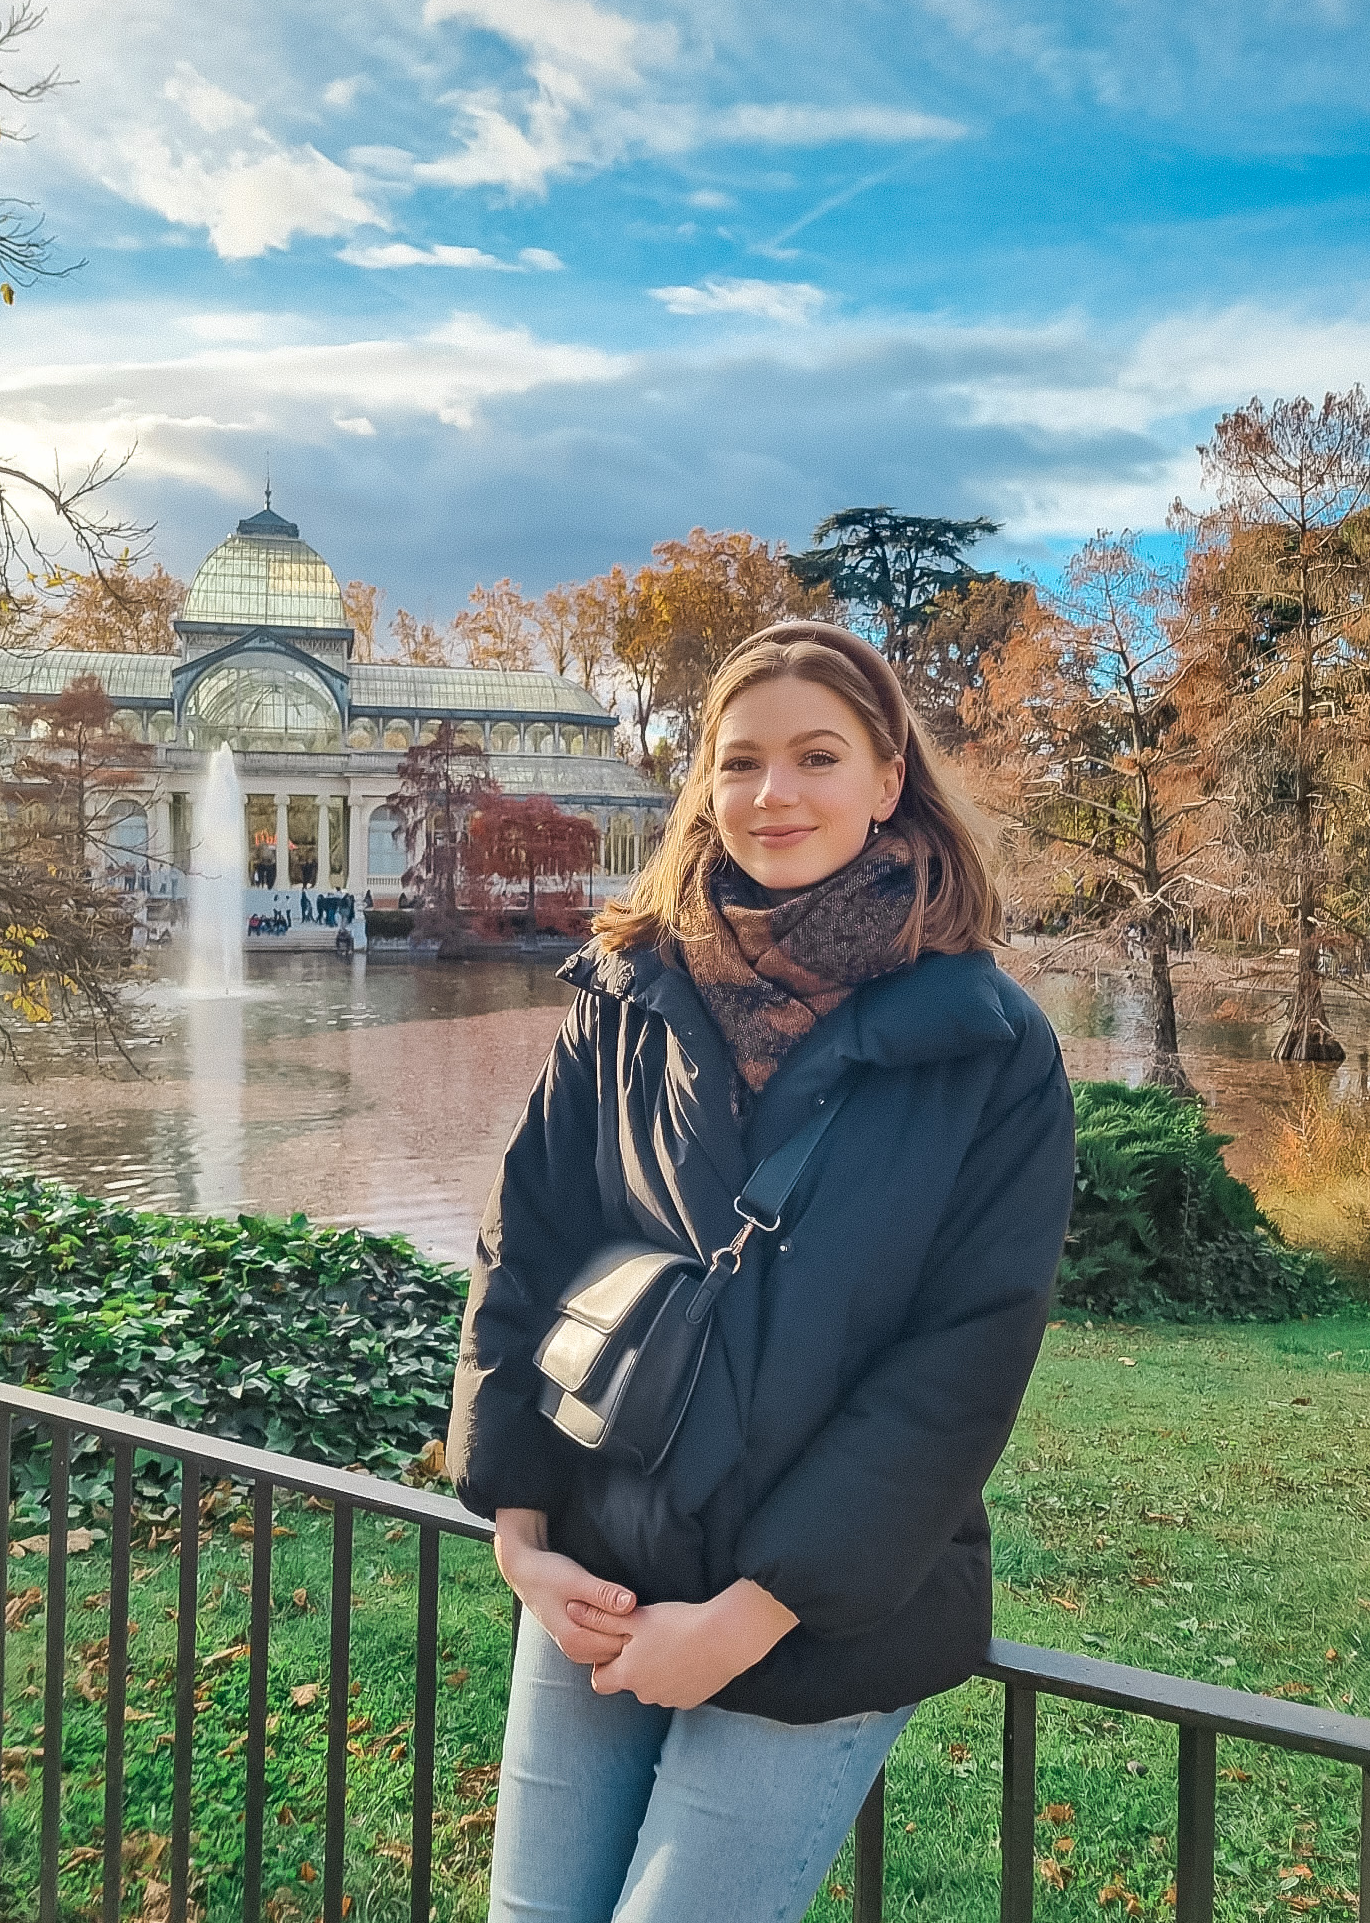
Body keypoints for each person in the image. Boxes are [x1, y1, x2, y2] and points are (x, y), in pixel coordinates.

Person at [448, 623, 1076, 1923]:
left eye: (814, 756)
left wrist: (754, 1612)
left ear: (887, 777)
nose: (772, 795)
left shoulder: (991, 1047)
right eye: (739, 763)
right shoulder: (627, 991)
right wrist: (517, 1533)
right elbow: (530, 1245)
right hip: (599, 1573)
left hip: (819, 1619)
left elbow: (963, 1361)